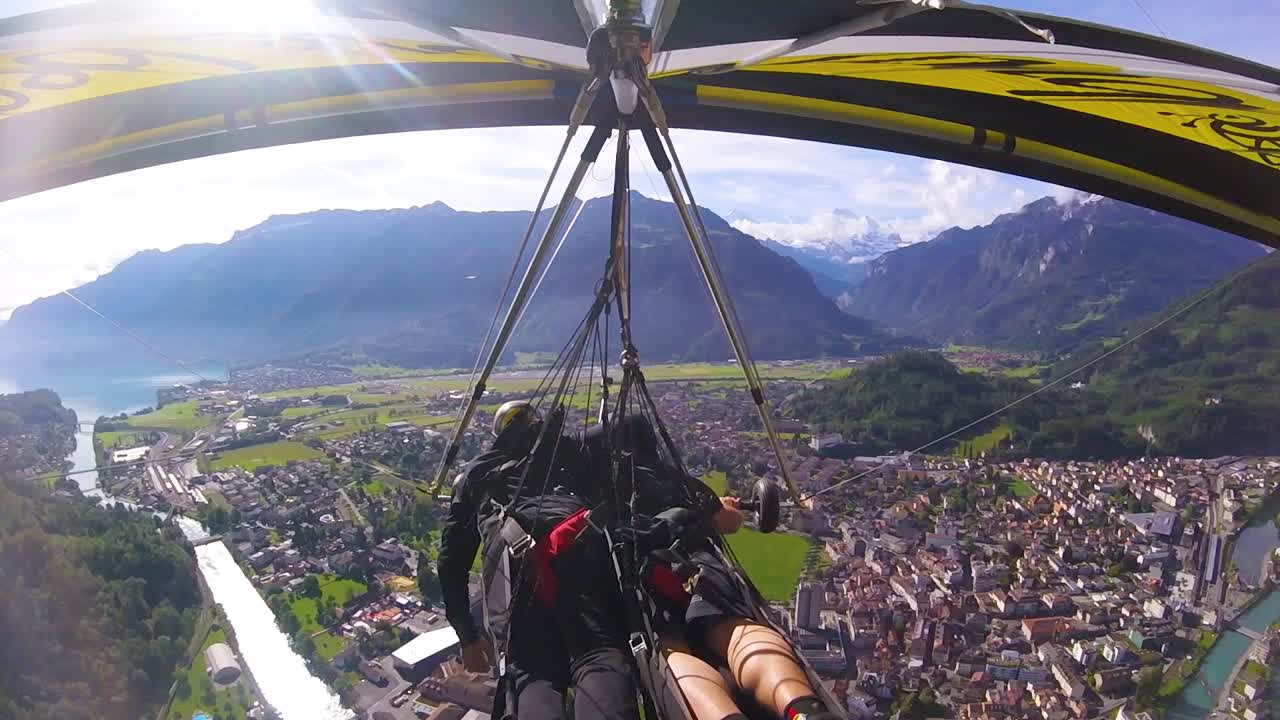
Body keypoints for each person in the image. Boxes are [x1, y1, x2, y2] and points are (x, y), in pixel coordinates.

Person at [598, 415, 839, 720]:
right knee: (735, 630)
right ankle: (802, 709)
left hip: (645, 571)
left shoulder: (603, 491)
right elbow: (730, 522)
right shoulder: (676, 480)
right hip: (694, 561)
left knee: (671, 650)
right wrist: (728, 506)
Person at [438, 400, 640, 720]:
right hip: (575, 541)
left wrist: (468, 636)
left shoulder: (475, 475)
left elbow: (451, 563)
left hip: (512, 558)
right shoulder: (567, 449)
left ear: (499, 433)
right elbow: (634, 423)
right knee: (598, 655)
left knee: (533, 673)